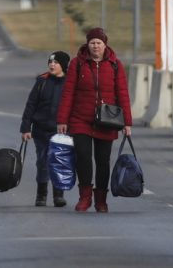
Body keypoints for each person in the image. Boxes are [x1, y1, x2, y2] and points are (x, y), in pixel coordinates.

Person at [56, 27, 132, 213]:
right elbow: (68, 92)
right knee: (83, 157)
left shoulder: (115, 65)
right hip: (80, 118)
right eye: (92, 43)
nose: (96, 46)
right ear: (87, 44)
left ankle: (101, 199)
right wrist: (62, 120)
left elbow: (122, 94)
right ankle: (85, 197)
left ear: (105, 45)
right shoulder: (77, 64)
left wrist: (127, 123)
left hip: (107, 120)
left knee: (103, 160)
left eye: (99, 43)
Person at [20, 51, 70, 208]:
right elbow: (30, 105)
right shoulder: (41, 82)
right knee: (43, 162)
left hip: (61, 131)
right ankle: (41, 194)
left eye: (56, 63)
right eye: (50, 62)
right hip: (41, 130)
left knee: (59, 162)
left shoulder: (70, 84)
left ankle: (58, 195)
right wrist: (25, 128)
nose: (52, 65)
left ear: (63, 65)